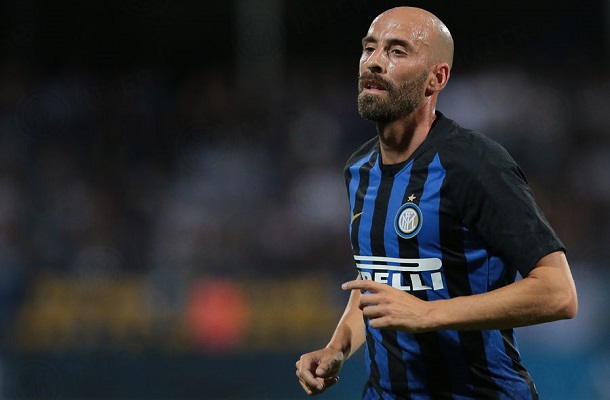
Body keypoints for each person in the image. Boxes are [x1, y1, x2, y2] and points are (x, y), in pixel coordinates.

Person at [295, 6, 578, 400]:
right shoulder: (359, 169)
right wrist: (337, 348)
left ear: (437, 78)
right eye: (369, 48)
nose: (374, 61)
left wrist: (428, 313)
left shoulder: (475, 164)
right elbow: (379, 279)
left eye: (397, 51)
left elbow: (558, 293)